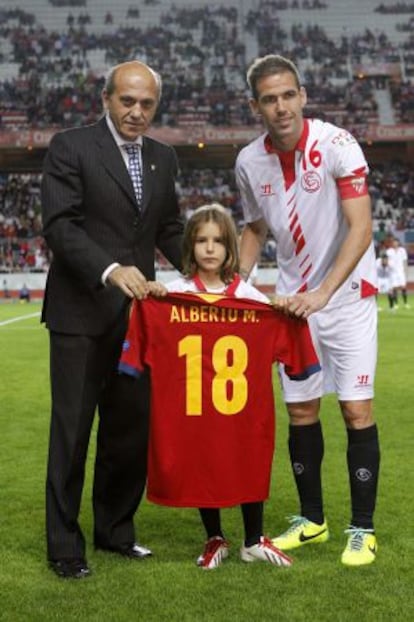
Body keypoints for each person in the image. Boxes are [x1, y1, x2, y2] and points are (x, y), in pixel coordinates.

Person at [41, 60, 184, 579]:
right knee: (72, 433)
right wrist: (109, 269)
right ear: (106, 98)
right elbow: (60, 225)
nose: (137, 112)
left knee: (128, 433)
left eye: (147, 103)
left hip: (138, 322)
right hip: (79, 315)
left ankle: (115, 532)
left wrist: (212, 268)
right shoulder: (70, 146)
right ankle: (64, 546)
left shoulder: (165, 158)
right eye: (127, 101)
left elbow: (168, 228)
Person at [236, 54, 380, 566]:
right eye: (269, 99)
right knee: (300, 410)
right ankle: (312, 519)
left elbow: (360, 228)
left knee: (355, 409)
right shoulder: (249, 161)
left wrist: (323, 292)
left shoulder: (338, 144)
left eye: (288, 95)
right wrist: (235, 285)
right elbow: (254, 229)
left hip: (346, 299)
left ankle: (362, 528)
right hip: (295, 304)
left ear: (303, 95)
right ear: (256, 106)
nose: (281, 107)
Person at [119, 203, 321, 570]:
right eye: (201, 240)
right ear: (190, 246)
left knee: (249, 459)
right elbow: (144, 333)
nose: (209, 248)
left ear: (230, 247)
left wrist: (284, 311)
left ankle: (253, 539)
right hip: (193, 408)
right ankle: (215, 537)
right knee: (202, 463)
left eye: (217, 241)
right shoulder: (172, 293)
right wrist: (150, 298)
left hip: (243, 409)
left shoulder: (252, 299)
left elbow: (287, 340)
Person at [386, 237, 410, 309]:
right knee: (394, 288)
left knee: (403, 287)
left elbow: (405, 261)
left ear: (398, 243)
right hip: (392, 272)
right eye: (394, 242)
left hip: (400, 271)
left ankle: (405, 303)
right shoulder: (389, 251)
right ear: (392, 243)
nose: (395, 243)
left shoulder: (402, 250)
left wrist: (406, 271)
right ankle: (396, 304)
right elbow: (386, 261)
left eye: (396, 242)